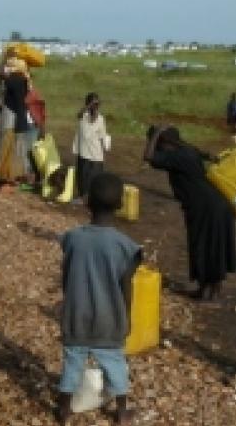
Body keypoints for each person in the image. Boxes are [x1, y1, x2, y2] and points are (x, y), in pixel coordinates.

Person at [56, 173, 141, 425]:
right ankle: (122, 411)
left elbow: (67, 276)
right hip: (109, 317)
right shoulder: (125, 246)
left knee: (72, 363)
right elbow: (126, 287)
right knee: (115, 364)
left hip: (77, 314)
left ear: (87, 202)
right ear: (120, 205)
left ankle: (64, 409)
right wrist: (125, 317)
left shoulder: (72, 238)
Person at [144, 126, 236, 300]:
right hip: (217, 203)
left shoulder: (176, 156)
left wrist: (155, 135)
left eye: (157, 143)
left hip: (203, 207)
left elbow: (148, 157)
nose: (155, 147)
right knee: (214, 245)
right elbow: (206, 154)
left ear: (164, 142)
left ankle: (205, 291)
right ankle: (213, 289)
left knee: (201, 245)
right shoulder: (187, 150)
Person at [0, 58, 31, 186]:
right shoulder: (25, 81)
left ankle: (4, 175)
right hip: (20, 117)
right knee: (17, 148)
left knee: (6, 145)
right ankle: (15, 175)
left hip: (11, 117)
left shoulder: (14, 80)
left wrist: (4, 58)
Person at [73, 93, 109, 199]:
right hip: (83, 154)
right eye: (93, 103)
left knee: (94, 181)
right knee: (82, 180)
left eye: (97, 104)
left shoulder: (101, 119)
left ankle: (91, 200)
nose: (95, 106)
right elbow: (79, 114)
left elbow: (103, 137)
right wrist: (89, 106)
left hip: (95, 156)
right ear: (87, 104)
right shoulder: (83, 116)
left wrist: (104, 155)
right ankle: (82, 197)